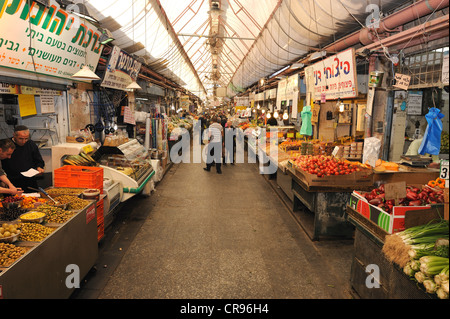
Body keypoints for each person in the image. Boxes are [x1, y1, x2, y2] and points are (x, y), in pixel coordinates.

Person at [1, 125, 45, 193]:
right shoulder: (6, 145)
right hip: (12, 181)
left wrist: (39, 167)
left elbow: (39, 160)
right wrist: (4, 182)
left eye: (26, 138)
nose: (24, 141)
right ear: (14, 135)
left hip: (30, 181)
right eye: (20, 139)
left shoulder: (31, 144)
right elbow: (1, 170)